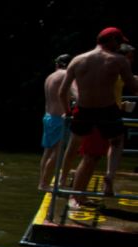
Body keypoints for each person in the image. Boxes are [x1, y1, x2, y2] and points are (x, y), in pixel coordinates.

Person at [61, 27, 138, 199]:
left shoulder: (77, 60)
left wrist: (67, 111)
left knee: (74, 145)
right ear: (111, 40)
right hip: (107, 109)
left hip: (83, 109)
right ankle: (110, 175)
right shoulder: (118, 60)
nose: (119, 46)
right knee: (117, 141)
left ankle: (63, 178)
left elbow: (62, 91)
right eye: (118, 42)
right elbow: (133, 88)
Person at [40, 54, 73, 190]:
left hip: (48, 117)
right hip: (59, 118)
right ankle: (45, 184)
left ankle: (42, 181)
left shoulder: (50, 77)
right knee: (57, 152)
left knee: (47, 151)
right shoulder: (66, 75)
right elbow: (75, 92)